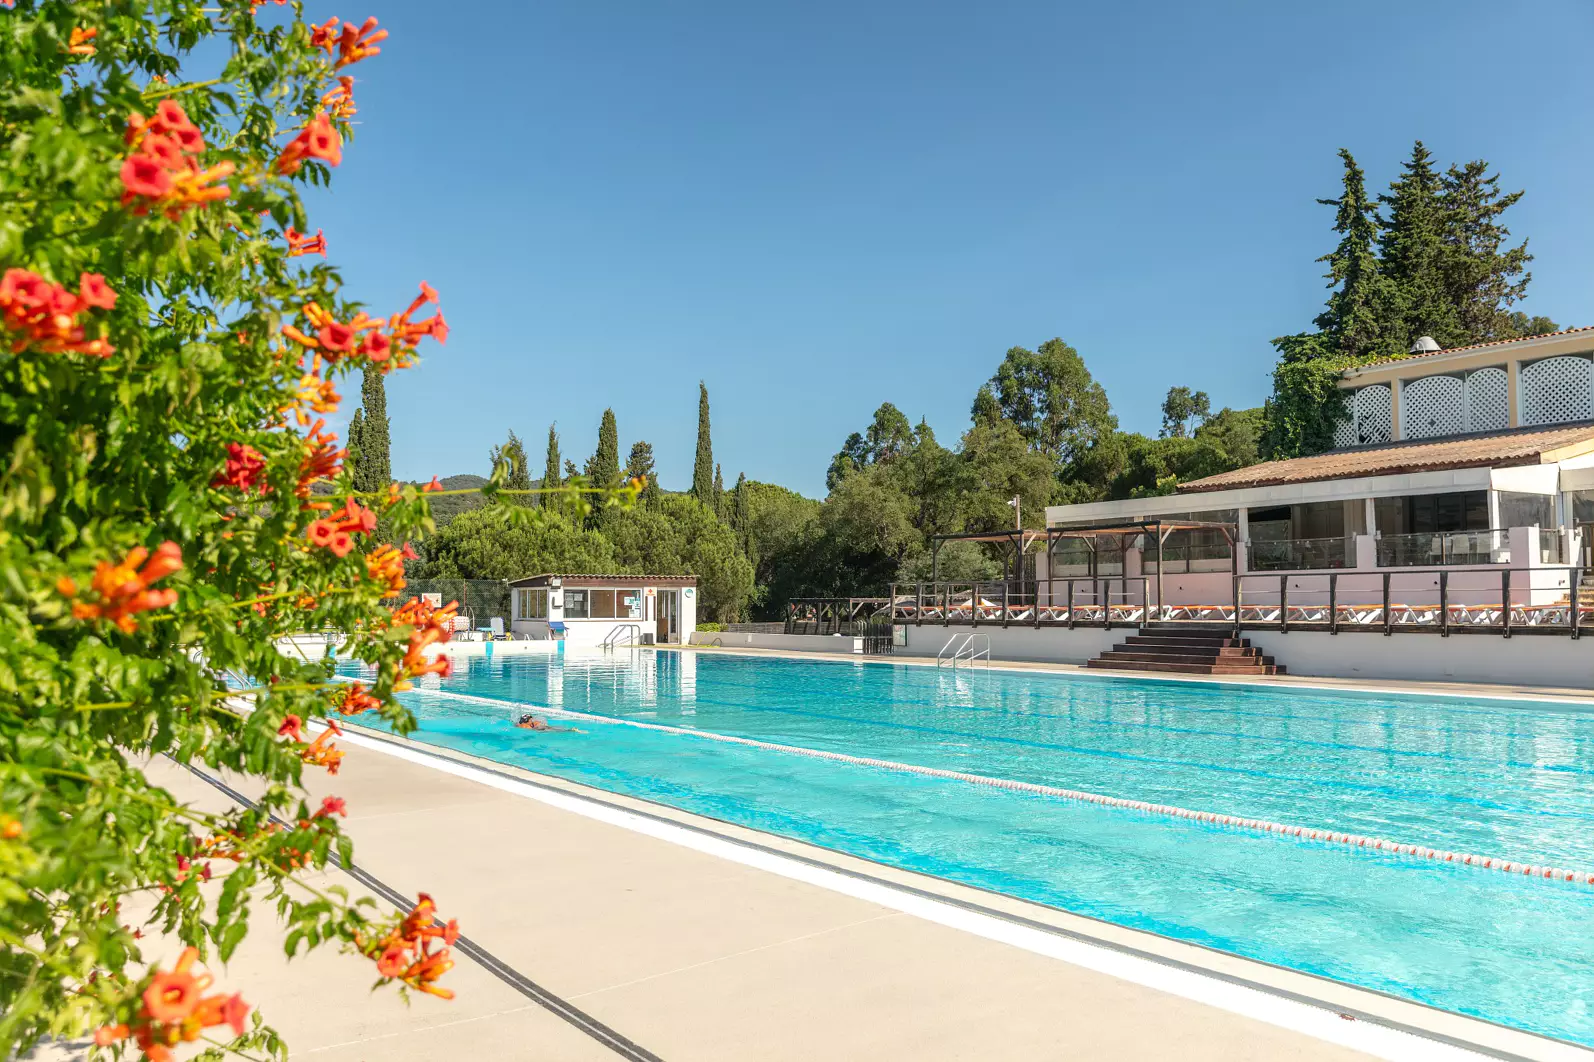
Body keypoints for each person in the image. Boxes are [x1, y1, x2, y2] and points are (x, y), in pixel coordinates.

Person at [515, 712, 582, 733]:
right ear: (529, 720)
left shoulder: (520, 725)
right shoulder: (533, 723)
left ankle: (569, 730)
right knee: (551, 728)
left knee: (550, 728)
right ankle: (569, 730)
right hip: (537, 727)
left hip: (536, 728)